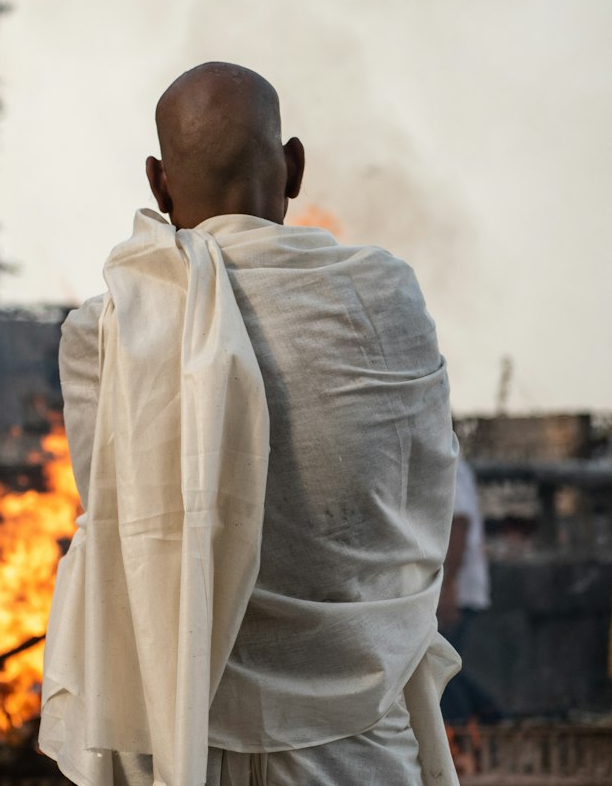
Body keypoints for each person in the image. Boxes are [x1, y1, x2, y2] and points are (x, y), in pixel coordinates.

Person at [41, 63, 459, 786]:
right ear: (293, 166)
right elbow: (420, 502)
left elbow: (126, 535)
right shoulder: (386, 302)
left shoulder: (108, 331)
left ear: (158, 183)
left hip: (181, 746)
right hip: (359, 752)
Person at [441, 454, 501, 724]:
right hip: (450, 585)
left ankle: (473, 726)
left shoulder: (446, 458)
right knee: (440, 665)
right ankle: (488, 715)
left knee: (438, 666)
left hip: (454, 588)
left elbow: (458, 522)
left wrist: (448, 585)